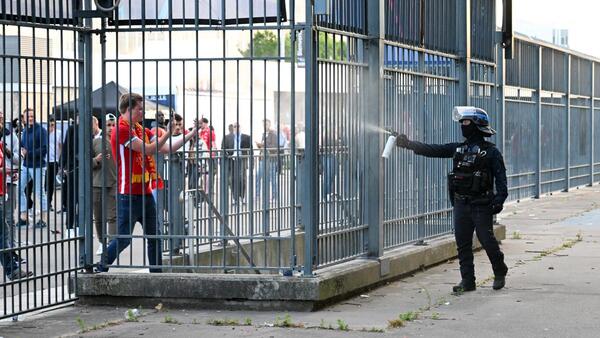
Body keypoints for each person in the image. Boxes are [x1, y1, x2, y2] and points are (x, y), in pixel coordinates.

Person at [395, 107, 508, 292]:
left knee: (486, 239)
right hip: (461, 203)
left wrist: (499, 200)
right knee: (463, 243)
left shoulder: (491, 152)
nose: (462, 126)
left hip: (481, 204)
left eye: (466, 122)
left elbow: (501, 179)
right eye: (461, 123)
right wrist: (408, 144)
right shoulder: (458, 149)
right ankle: (468, 281)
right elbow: (433, 150)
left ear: (477, 124)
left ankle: (499, 270)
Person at [97, 93, 197, 272]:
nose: (143, 112)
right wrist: (167, 133)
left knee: (155, 237)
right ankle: (101, 265)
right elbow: (150, 149)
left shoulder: (140, 129)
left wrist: (191, 134)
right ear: (129, 109)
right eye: (140, 109)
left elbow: (167, 148)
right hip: (127, 193)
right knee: (124, 238)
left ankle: (156, 274)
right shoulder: (121, 129)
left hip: (145, 192)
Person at [0, 141, 33, 280]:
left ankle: (12, 270)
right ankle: (12, 270)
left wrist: (8, 174)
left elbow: (14, 159)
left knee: (3, 233)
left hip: (1, 192)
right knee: (3, 233)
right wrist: (6, 171)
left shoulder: (1, 143)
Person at [17, 108, 48, 229]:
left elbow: (44, 149)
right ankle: (24, 218)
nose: (30, 118)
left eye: (32, 116)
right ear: (24, 118)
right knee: (19, 189)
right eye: (28, 116)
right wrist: (21, 150)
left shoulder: (41, 130)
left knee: (39, 192)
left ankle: (43, 219)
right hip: (25, 165)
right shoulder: (24, 131)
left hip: (38, 165)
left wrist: (28, 153)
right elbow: (22, 146)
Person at [92, 114, 117, 255]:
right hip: (97, 184)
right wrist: (96, 160)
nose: (111, 128)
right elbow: (84, 161)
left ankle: (112, 244)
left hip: (114, 183)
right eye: (108, 125)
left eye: (113, 125)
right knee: (99, 217)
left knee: (112, 216)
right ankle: (102, 242)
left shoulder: (120, 142)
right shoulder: (96, 142)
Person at [0, 111, 21, 228]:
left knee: (8, 216)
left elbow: (19, 160)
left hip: (8, 181)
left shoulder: (11, 136)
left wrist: (8, 152)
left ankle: (11, 245)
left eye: (1, 119)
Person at [222, 122, 251, 205]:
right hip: (232, 159)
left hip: (242, 159)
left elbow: (250, 149)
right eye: (235, 127)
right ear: (233, 128)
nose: (236, 128)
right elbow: (223, 149)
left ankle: (242, 197)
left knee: (242, 178)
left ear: (240, 127)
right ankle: (235, 198)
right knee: (232, 179)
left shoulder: (246, 137)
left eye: (238, 126)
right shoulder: (227, 137)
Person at [61, 115, 79, 237]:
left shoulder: (90, 129)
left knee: (83, 200)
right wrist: (64, 166)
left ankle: (79, 225)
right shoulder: (72, 129)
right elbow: (66, 146)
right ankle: (69, 227)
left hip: (87, 168)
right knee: (72, 198)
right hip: (73, 167)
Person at [255, 119, 280, 202]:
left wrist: (263, 145)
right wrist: (260, 146)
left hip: (271, 160)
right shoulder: (264, 134)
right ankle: (257, 195)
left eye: (266, 124)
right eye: (263, 124)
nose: (265, 126)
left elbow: (275, 147)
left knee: (272, 178)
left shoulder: (273, 134)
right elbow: (264, 147)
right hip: (263, 159)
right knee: (258, 176)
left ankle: (275, 196)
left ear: (269, 125)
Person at [46, 116, 63, 211]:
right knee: (45, 183)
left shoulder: (58, 133)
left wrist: (60, 161)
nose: (51, 127)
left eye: (52, 125)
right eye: (49, 125)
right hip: (45, 161)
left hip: (54, 161)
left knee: (51, 183)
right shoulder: (44, 133)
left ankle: (49, 203)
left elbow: (60, 147)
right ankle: (45, 202)